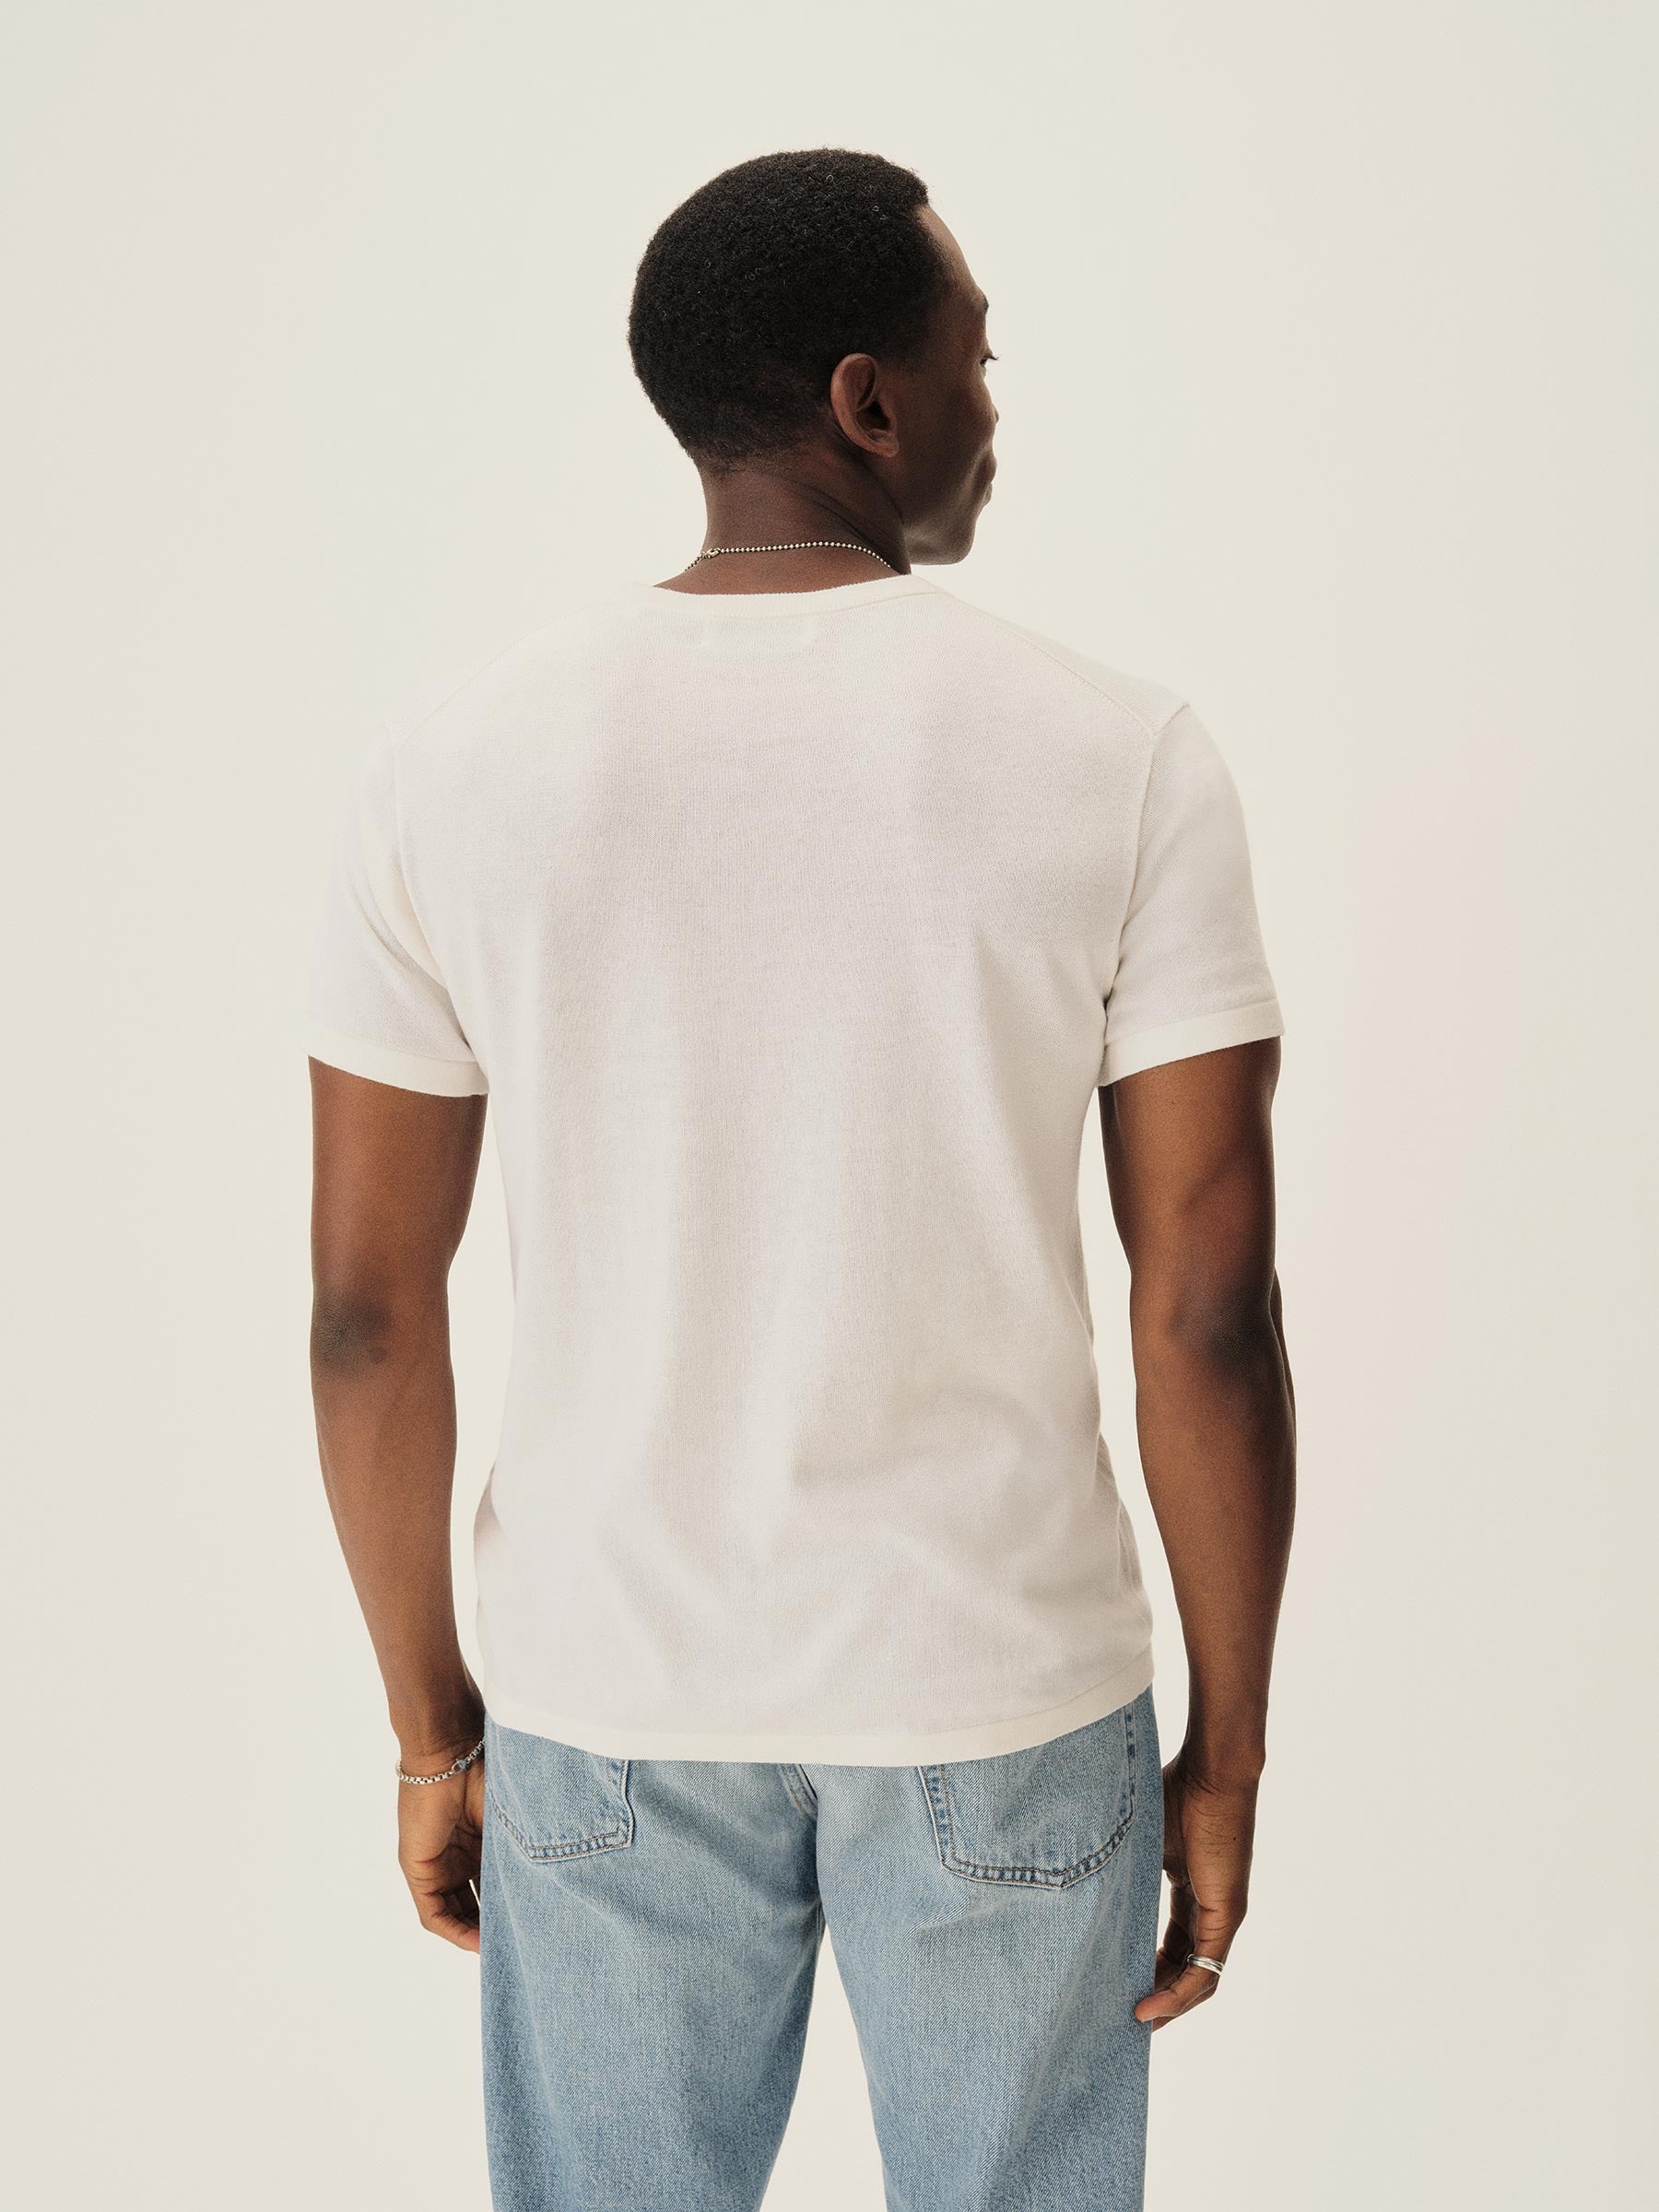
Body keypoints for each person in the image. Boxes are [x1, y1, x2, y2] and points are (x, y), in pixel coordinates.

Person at [308, 147, 1296, 2212]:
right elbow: (1206, 1309)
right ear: (870, 400)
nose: (995, 407)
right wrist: (1226, 1751)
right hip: (1002, 1687)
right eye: (977, 359)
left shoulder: (450, 768)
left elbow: (367, 1317)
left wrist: (434, 1727)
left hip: (609, 1693)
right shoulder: (1120, 754)